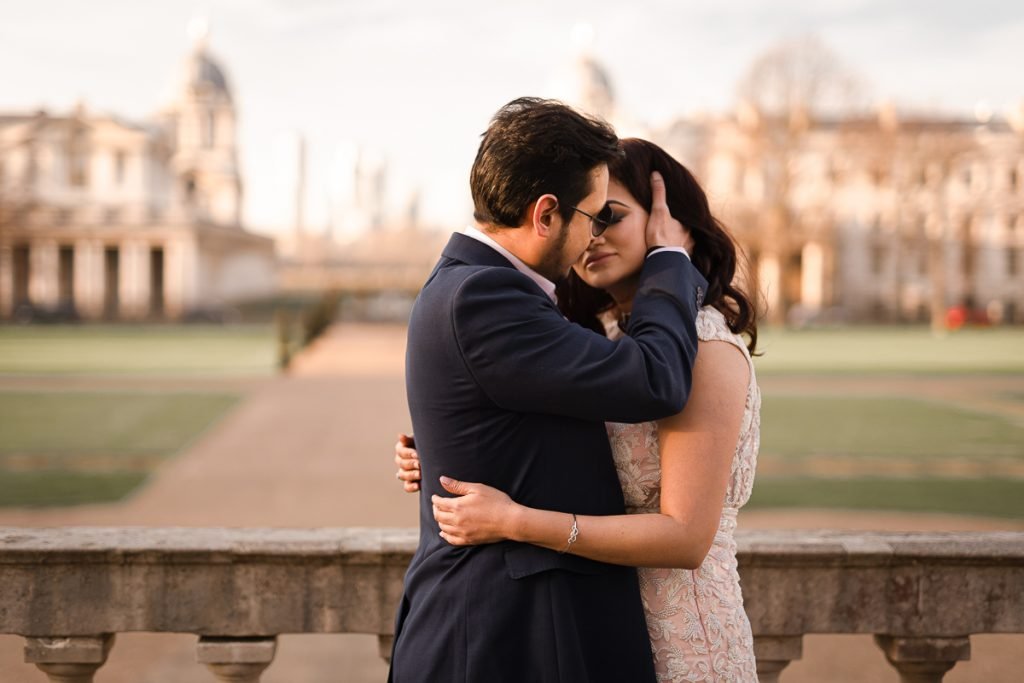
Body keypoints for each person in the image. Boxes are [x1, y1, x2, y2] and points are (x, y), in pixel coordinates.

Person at [396, 137, 761, 682]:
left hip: (683, 635)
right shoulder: (604, 335)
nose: (594, 234)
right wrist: (449, 448)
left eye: (611, 215)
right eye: (590, 217)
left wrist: (517, 522)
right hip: (597, 634)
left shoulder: (704, 344)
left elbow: (685, 537)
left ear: (667, 223)